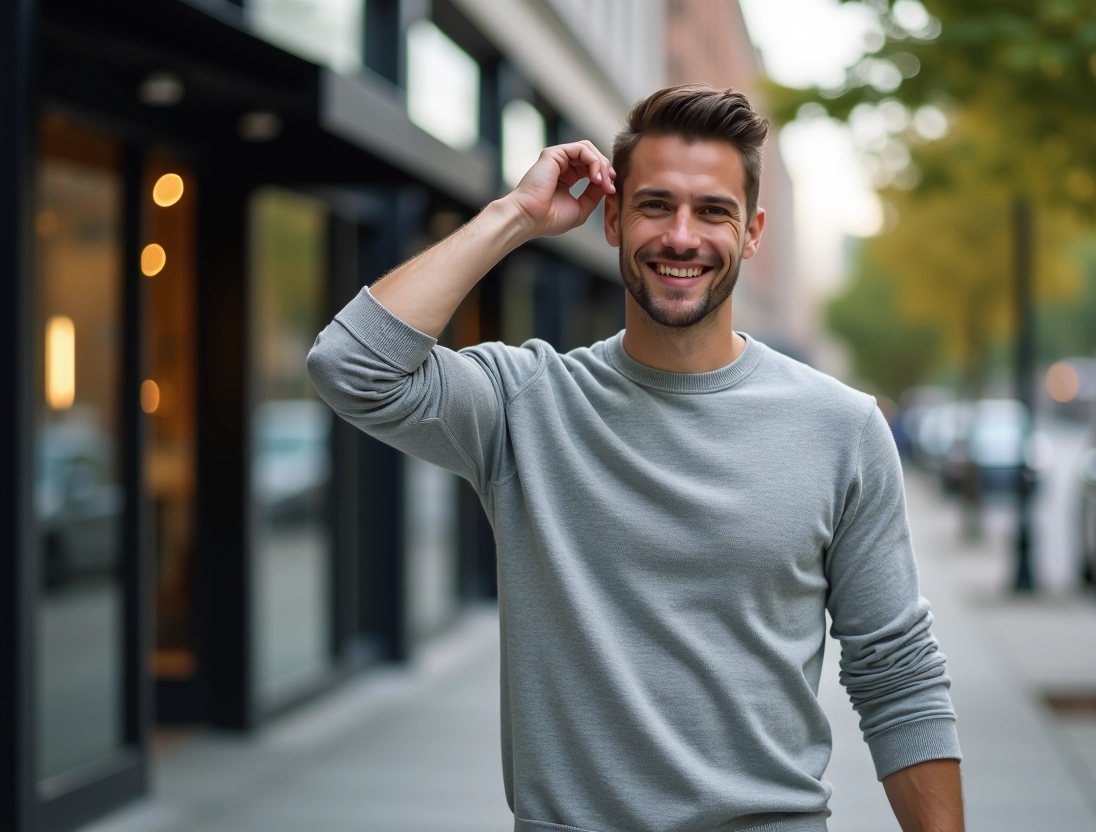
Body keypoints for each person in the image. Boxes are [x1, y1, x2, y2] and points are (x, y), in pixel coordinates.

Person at [307, 85, 963, 832]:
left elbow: (898, 675)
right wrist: (512, 216)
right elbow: (351, 365)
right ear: (612, 219)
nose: (682, 236)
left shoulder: (841, 426)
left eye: (713, 211)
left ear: (751, 233)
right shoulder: (526, 403)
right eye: (655, 206)